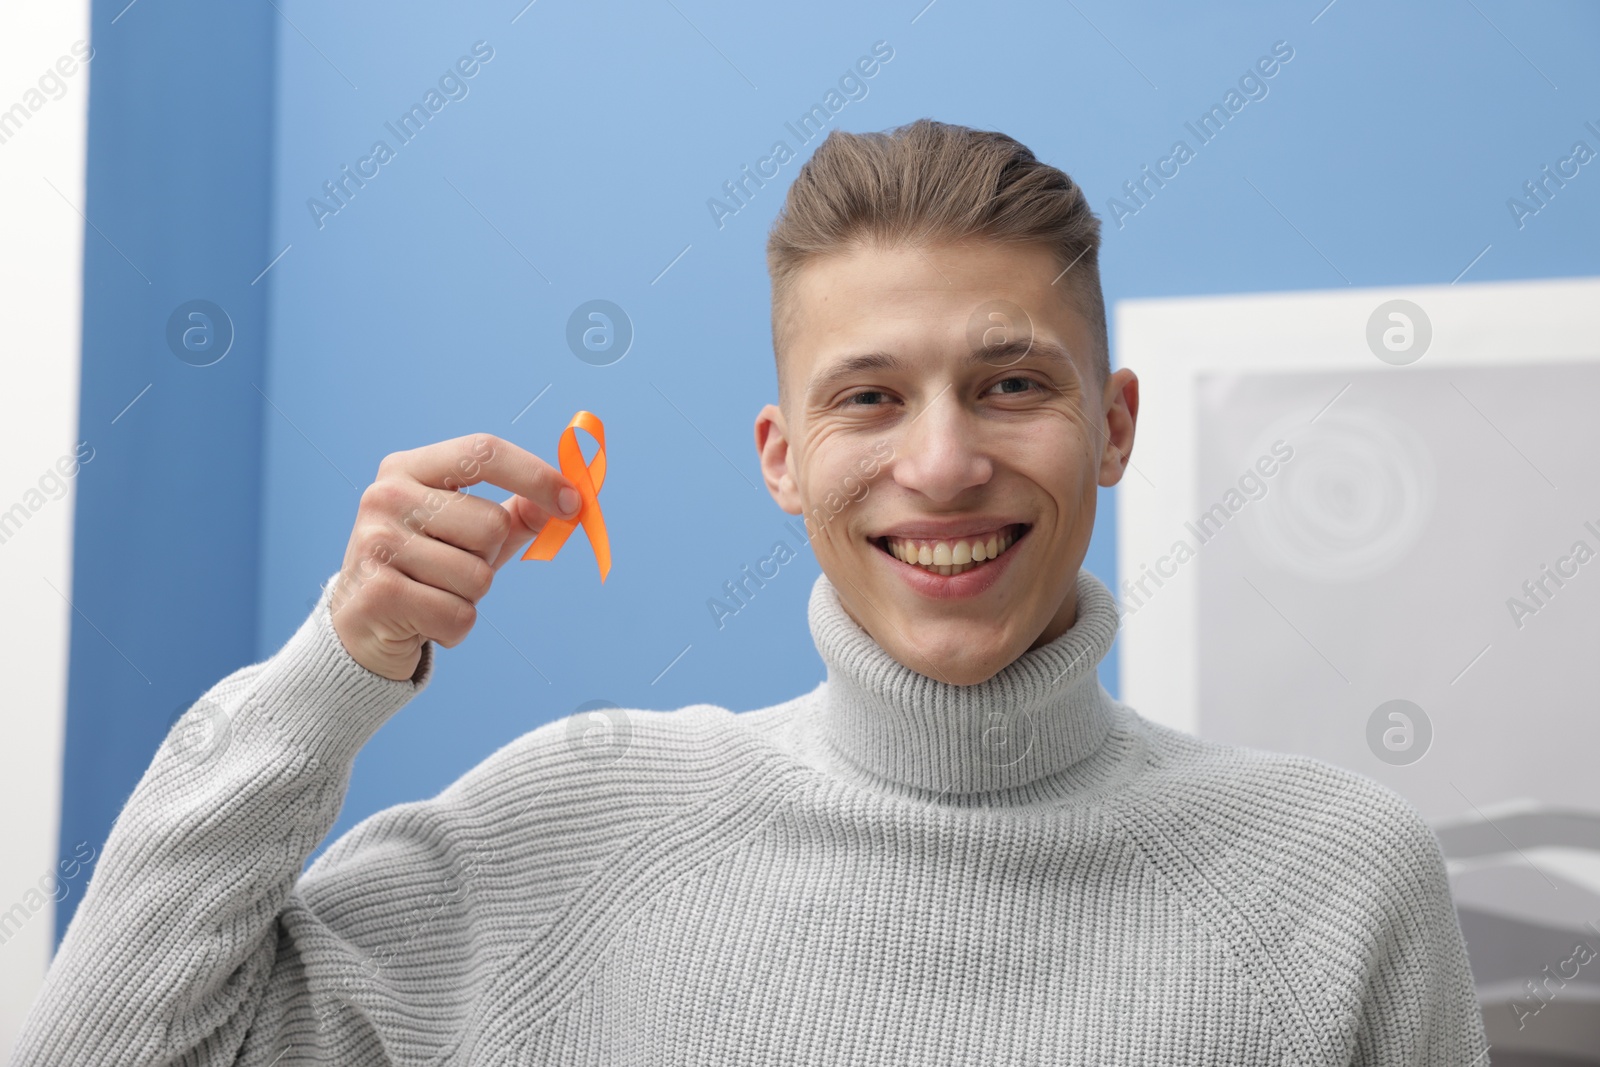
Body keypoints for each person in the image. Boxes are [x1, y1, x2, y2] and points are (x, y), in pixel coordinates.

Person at [10, 119, 1487, 1065]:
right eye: (869, 399)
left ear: (1113, 425)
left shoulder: (1339, 884)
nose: (946, 461)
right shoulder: (576, 824)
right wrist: (334, 676)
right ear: (784, 459)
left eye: (1012, 384)